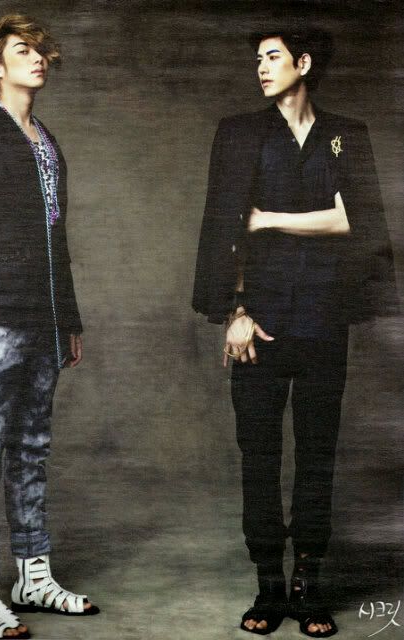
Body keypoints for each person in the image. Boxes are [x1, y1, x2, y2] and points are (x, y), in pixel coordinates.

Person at [192, 25, 398, 638]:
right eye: (257, 58)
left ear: (303, 63)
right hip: (258, 322)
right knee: (258, 456)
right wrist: (234, 313)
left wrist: (267, 219)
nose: (261, 67)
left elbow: (359, 222)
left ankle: (308, 587)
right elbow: (222, 225)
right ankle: (269, 585)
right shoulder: (239, 132)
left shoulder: (346, 135)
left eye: (273, 57)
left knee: (316, 456)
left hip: (324, 318)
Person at [0, 14, 99, 640]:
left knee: (32, 449)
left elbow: (56, 240)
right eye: (22, 50)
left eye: (40, 50)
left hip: (44, 320)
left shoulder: (46, 140)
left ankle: (33, 577)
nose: (37, 59)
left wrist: (69, 319)